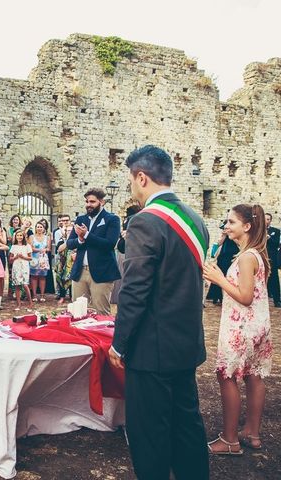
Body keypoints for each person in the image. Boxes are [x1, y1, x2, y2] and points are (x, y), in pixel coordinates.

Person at [109, 145, 210, 480]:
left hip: (151, 349)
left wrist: (119, 343)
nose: (131, 189)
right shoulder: (196, 219)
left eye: (130, 181)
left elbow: (135, 291)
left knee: (149, 434)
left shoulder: (145, 222)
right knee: (187, 426)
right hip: (185, 343)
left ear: (142, 178)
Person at [203, 204, 272, 454]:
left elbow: (245, 297)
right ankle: (252, 432)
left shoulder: (245, 257)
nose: (226, 226)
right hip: (258, 325)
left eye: (231, 222)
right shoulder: (256, 254)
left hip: (240, 326)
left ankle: (230, 440)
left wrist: (219, 279)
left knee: (227, 375)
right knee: (254, 376)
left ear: (247, 226)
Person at [67, 188, 121, 315]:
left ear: (101, 202)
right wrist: (79, 240)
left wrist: (86, 235)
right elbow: (69, 243)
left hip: (102, 272)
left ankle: (101, 335)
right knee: (77, 312)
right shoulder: (81, 219)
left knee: (101, 312)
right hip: (80, 272)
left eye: (92, 202)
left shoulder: (112, 219)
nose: (88, 205)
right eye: (86, 201)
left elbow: (109, 244)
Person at [205, 220, 239, 306]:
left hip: (232, 256)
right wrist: (224, 235)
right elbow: (219, 243)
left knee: (228, 276)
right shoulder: (226, 234)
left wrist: (230, 235)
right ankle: (216, 297)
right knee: (219, 275)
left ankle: (226, 296)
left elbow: (239, 244)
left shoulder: (236, 234)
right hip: (223, 256)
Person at [9, 229, 34, 310]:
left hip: (24, 266)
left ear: (23, 236)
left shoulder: (27, 246)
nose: (19, 237)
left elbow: (30, 258)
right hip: (16, 266)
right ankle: (18, 304)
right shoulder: (13, 246)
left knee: (25, 285)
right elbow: (10, 259)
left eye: (21, 235)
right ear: (15, 237)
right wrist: (15, 257)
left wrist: (23, 257)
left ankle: (30, 303)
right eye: (17, 235)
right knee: (17, 286)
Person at [54, 218, 74, 304]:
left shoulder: (77, 240)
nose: (69, 232)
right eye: (68, 231)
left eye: (71, 231)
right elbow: (59, 249)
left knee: (72, 281)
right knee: (63, 280)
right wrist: (67, 241)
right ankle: (62, 296)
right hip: (63, 264)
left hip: (73, 264)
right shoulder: (62, 240)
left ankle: (72, 296)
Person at [29, 221, 51, 302]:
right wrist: (40, 250)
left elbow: (49, 248)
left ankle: (42, 295)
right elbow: (30, 248)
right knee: (34, 277)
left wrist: (45, 250)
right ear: (35, 228)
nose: (39, 228)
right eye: (38, 227)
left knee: (42, 277)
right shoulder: (32, 237)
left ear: (44, 228)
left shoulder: (47, 237)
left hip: (43, 260)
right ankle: (34, 295)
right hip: (34, 259)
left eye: (41, 227)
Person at [265, 212, 280, 307]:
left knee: (274, 279)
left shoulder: (276, 231)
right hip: (261, 258)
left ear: (270, 220)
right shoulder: (257, 231)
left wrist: (269, 238)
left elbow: (276, 244)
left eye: (268, 219)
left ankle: (277, 300)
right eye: (264, 219)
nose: (266, 221)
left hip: (272, 259)